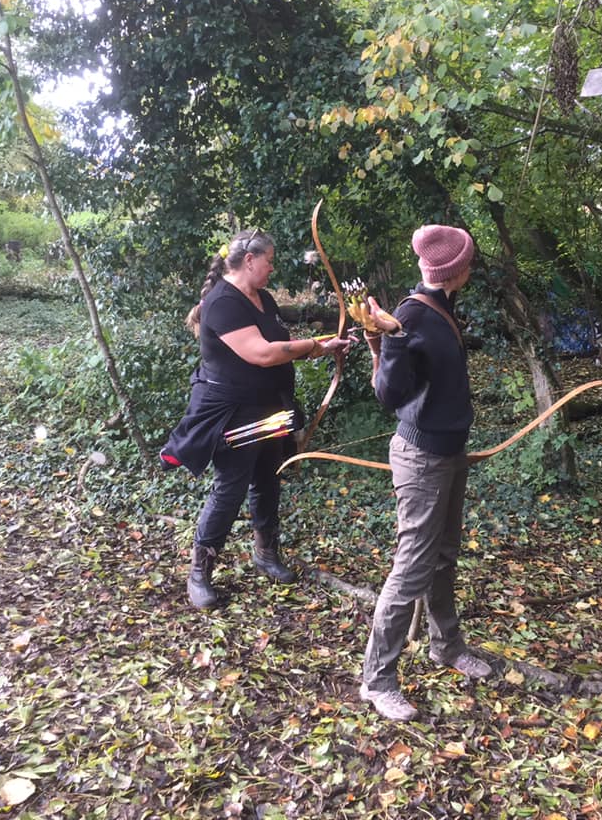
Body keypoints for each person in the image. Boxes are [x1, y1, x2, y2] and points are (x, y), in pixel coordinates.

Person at [160, 230, 351, 609]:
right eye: (269, 261)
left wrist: (324, 348)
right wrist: (316, 346)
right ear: (249, 260)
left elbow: (280, 347)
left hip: (269, 409)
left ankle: (265, 554)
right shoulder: (222, 303)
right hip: (234, 413)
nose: (272, 268)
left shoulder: (262, 298)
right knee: (231, 487)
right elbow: (263, 354)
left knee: (268, 479)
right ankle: (200, 572)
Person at [358, 224, 492, 721]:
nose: (471, 269)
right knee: (412, 566)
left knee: (444, 556)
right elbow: (391, 395)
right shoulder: (412, 316)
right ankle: (377, 679)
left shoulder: (440, 309)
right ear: (454, 272)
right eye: (468, 264)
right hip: (421, 458)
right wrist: (389, 338)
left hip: (448, 452)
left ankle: (446, 646)